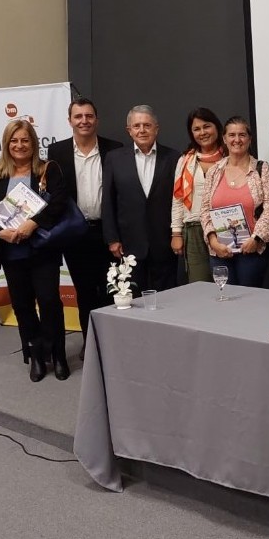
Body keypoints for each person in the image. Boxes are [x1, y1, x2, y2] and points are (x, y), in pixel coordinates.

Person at [0, 120, 68, 382]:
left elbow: (59, 203)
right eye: (14, 141)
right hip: (11, 253)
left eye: (25, 140)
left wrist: (33, 223)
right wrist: (0, 232)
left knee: (50, 302)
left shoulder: (46, 170)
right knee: (22, 306)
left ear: (33, 143)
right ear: (7, 144)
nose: (19, 145)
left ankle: (59, 354)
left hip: (42, 251)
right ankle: (37, 356)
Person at [47, 97, 123, 358]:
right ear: (70, 121)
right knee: (84, 291)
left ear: (96, 120)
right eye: (78, 116)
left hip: (108, 232)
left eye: (89, 116)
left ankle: (112, 343)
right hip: (75, 234)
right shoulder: (57, 153)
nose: (84, 121)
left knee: (113, 289)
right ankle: (90, 343)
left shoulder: (115, 149)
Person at [102, 105, 181, 292]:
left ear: (156, 128)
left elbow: (178, 201)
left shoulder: (174, 157)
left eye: (147, 125)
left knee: (167, 300)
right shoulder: (114, 158)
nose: (142, 130)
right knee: (133, 303)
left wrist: (177, 234)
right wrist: (112, 238)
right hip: (128, 245)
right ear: (129, 131)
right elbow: (108, 201)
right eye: (137, 126)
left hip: (164, 244)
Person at [200, 117, 269, 287]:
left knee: (249, 303)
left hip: (251, 251)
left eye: (242, 135)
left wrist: (256, 238)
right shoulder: (214, 171)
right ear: (224, 139)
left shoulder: (262, 169)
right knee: (225, 302)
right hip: (219, 252)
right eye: (232, 135)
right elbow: (205, 209)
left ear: (249, 139)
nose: (237, 140)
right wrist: (213, 241)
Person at [171, 107, 225, 283]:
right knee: (199, 285)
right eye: (196, 129)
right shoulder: (186, 160)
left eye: (206, 126)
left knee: (226, 285)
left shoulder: (231, 157)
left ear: (216, 127)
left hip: (223, 227)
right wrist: (176, 233)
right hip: (193, 229)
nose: (202, 132)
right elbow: (178, 199)